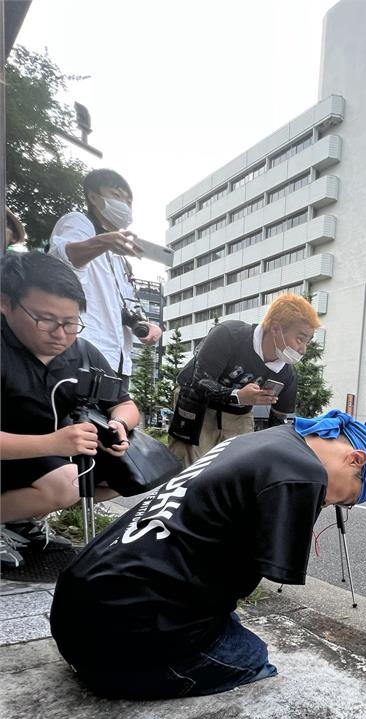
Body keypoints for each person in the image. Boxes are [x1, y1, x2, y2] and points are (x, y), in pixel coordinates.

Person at [49, 409, 366, 700]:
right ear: (355, 459)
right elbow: (254, 573)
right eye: (345, 499)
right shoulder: (305, 473)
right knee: (254, 657)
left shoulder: (267, 439)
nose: (332, 503)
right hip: (117, 645)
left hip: (75, 611)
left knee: (225, 623)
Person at [0, 252, 140, 566]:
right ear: (5, 302)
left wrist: (118, 423)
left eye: (70, 322)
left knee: (128, 473)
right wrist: (52, 444)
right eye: (46, 319)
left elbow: (125, 403)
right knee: (66, 483)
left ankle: (19, 518)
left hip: (40, 459)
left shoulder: (82, 354)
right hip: (17, 454)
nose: (60, 334)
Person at [168, 294, 320, 470]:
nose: (303, 349)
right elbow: (200, 381)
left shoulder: (286, 374)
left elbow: (278, 421)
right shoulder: (229, 334)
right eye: (300, 339)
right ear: (276, 328)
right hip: (196, 400)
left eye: (307, 342)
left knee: (236, 467)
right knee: (188, 468)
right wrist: (238, 395)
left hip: (238, 414)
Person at [48, 168, 162, 379]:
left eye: (129, 201)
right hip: (80, 351)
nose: (125, 206)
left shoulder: (120, 259)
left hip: (118, 361)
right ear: (93, 196)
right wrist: (102, 242)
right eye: (117, 196)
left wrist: (144, 324)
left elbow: (123, 308)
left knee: (117, 412)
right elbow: (64, 259)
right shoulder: (80, 223)